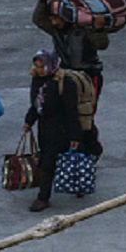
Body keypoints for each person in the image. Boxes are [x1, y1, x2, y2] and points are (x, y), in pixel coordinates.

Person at [32, 0, 107, 147]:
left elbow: (101, 44)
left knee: (85, 113)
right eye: (51, 17)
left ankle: (90, 147)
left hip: (88, 76)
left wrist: (99, 28)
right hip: (66, 76)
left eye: (56, 17)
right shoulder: (55, 30)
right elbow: (38, 18)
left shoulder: (85, 29)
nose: (53, 21)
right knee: (68, 112)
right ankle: (73, 145)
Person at [23, 49, 81, 212]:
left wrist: (75, 134)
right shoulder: (37, 79)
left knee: (48, 162)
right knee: (49, 159)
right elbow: (36, 103)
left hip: (60, 127)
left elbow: (71, 110)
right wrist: (29, 121)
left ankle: (43, 197)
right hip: (44, 126)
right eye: (37, 66)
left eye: (42, 66)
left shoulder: (64, 82)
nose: (39, 69)